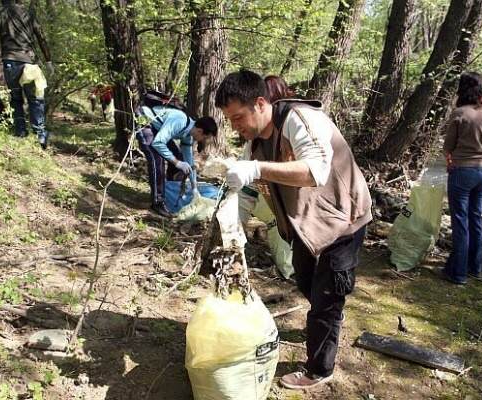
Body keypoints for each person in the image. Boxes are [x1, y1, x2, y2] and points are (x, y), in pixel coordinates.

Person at [215, 70, 372, 389]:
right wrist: (233, 229)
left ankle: (319, 369)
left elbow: (316, 170)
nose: (235, 126)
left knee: (326, 300)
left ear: (260, 103)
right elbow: (248, 192)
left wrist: (255, 169)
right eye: (230, 120)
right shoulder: (254, 145)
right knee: (306, 283)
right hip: (305, 228)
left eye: (238, 117)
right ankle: (328, 319)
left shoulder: (300, 119)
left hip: (342, 222)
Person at [442, 72, 482, 284]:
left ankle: (458, 273)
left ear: (462, 89)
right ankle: (476, 268)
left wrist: (451, 159)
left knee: (460, 222)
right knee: (476, 219)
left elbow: (448, 147)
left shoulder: (460, 113)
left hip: (461, 172)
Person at [0, 0, 53, 149]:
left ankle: (20, 132)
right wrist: (48, 60)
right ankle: (40, 135)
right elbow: (41, 37)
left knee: (16, 98)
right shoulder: (29, 14)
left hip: (10, 62)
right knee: (35, 99)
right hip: (29, 62)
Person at [136, 104, 218, 218]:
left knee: (177, 157)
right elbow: (158, 143)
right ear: (200, 131)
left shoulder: (188, 134)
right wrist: (177, 163)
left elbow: (189, 161)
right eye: (204, 138)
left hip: (158, 129)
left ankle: (169, 193)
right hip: (145, 120)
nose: (203, 141)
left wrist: (194, 187)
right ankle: (158, 202)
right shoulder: (179, 121)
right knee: (157, 160)